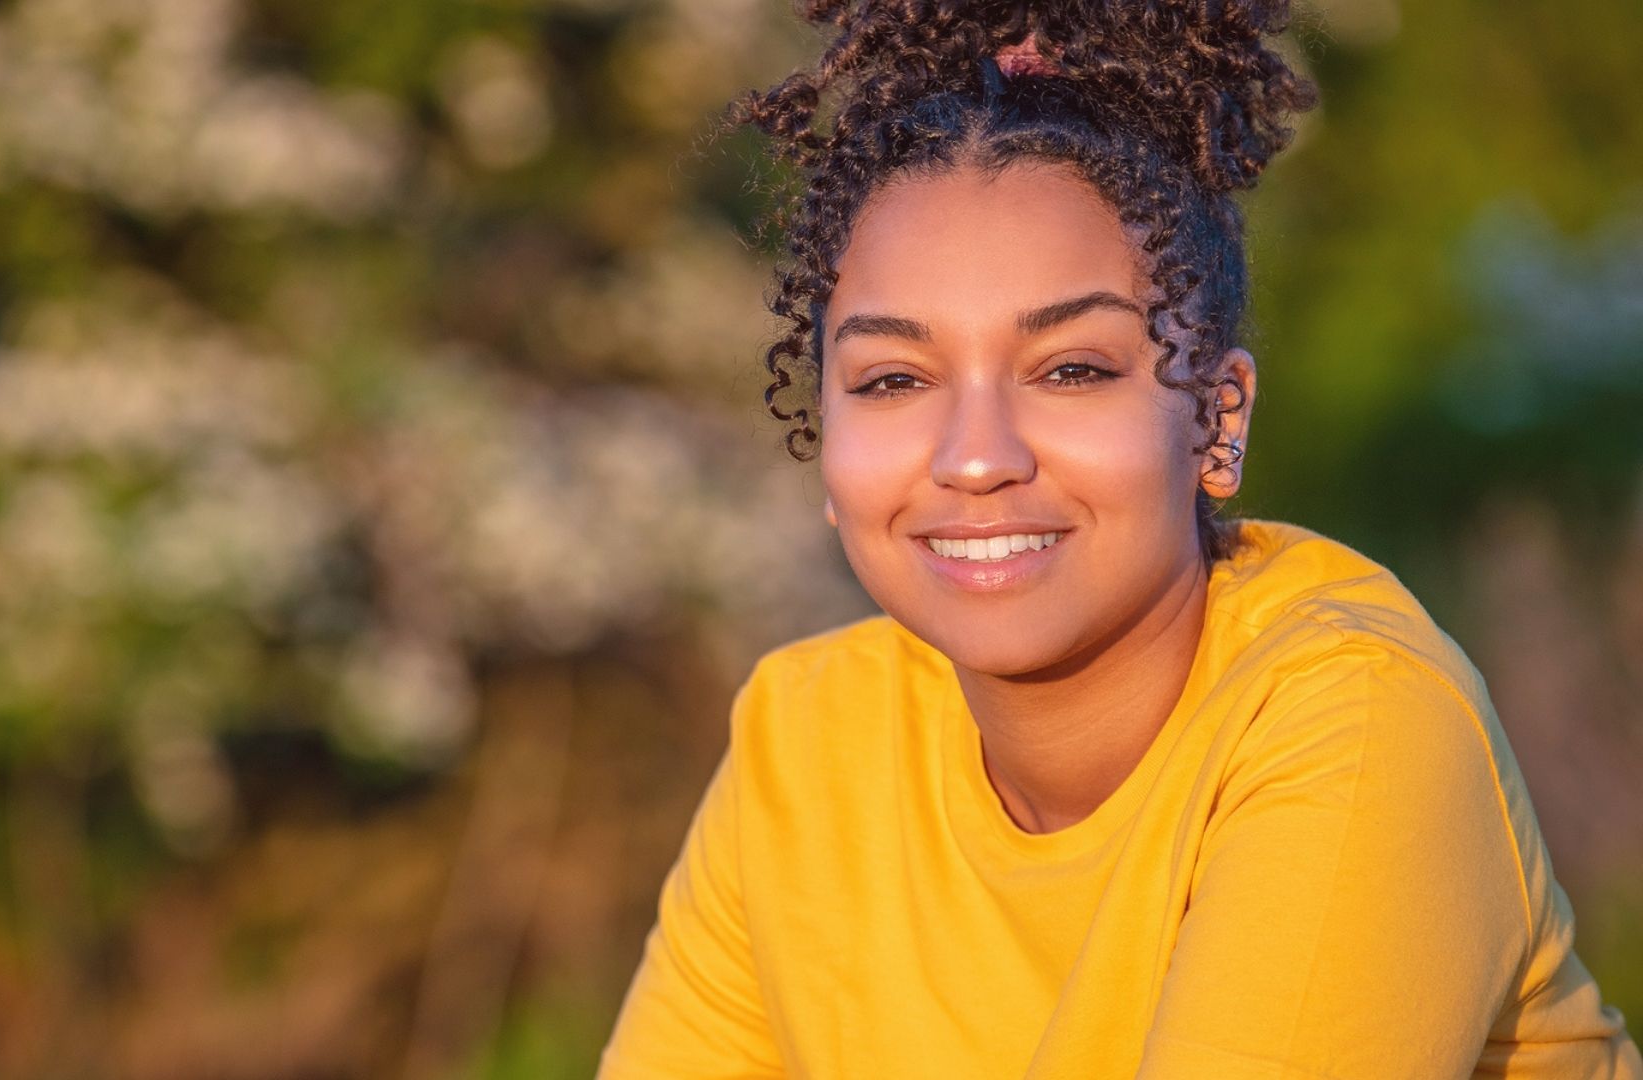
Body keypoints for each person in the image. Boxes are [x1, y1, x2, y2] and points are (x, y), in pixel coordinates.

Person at [598, 2, 1643, 1077]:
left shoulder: (1359, 719)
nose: (974, 456)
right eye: (893, 381)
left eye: (1072, 370)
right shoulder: (804, 742)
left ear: (1216, 421)